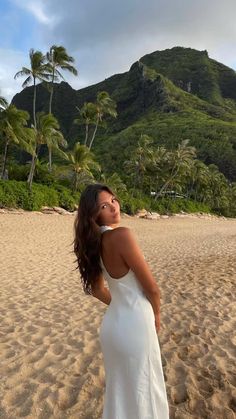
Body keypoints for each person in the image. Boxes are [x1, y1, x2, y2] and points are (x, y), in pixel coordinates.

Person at [74, 183, 169, 419]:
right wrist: (155, 315)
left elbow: (97, 290)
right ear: (94, 214)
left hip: (113, 327)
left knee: (121, 393)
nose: (114, 208)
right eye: (104, 206)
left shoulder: (94, 243)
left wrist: (121, 303)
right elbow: (153, 290)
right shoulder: (122, 235)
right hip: (136, 323)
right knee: (145, 389)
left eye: (113, 200)